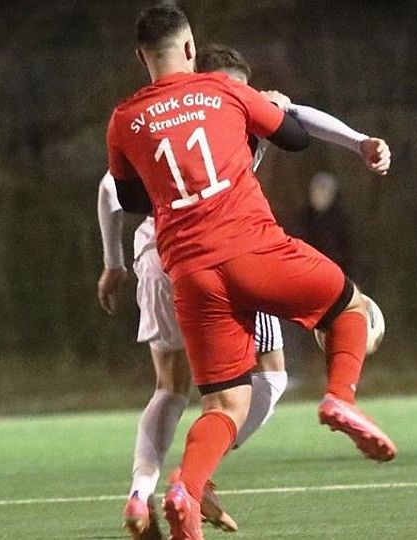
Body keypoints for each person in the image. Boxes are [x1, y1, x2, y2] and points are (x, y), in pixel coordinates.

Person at [106, 6, 394, 539]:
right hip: (251, 250)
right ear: (190, 49)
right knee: (349, 307)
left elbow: (129, 199)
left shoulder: (124, 119)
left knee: (221, 402)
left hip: (189, 273)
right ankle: (339, 397)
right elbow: (296, 136)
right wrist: (277, 112)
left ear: (140, 58)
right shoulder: (222, 91)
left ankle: (185, 489)